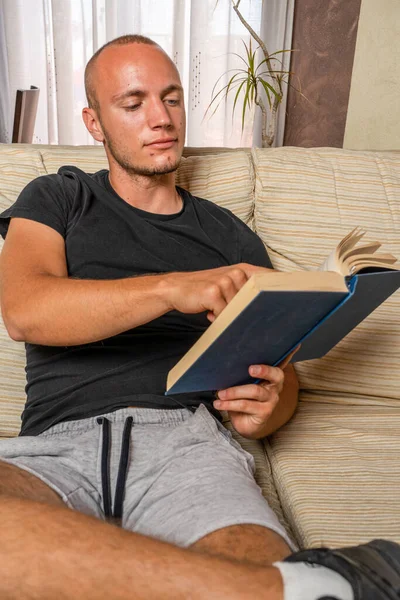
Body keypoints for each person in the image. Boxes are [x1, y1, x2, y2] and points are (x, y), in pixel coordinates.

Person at [0, 34, 398, 600]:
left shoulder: (229, 235)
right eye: (133, 104)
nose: (160, 119)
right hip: (55, 446)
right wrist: (170, 288)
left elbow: (280, 381)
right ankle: (311, 587)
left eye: (172, 98)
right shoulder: (56, 198)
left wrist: (271, 405)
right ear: (94, 123)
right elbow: (26, 312)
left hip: (188, 449)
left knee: (250, 552)